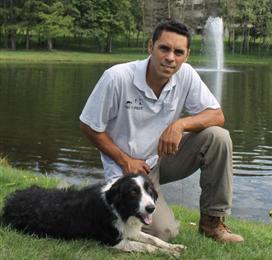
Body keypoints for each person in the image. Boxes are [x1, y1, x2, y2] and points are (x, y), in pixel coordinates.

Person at [79, 20, 244, 243]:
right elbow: (88, 125)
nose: (170, 58)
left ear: (186, 55)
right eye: (164, 48)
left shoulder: (185, 74)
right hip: (128, 169)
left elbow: (217, 115)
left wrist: (179, 125)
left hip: (163, 157)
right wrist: (124, 159)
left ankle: (212, 224)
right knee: (163, 233)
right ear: (150, 47)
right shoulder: (117, 77)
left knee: (218, 137)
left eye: (178, 52)